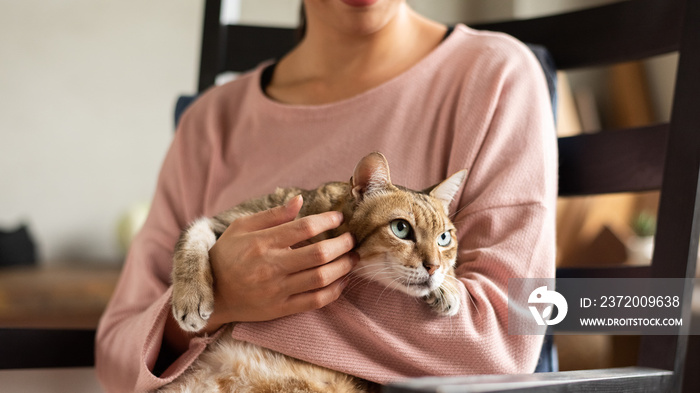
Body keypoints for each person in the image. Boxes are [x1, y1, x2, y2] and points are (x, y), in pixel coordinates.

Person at [95, 0, 557, 391]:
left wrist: (242, 300)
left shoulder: (498, 77)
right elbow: (117, 349)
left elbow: (509, 335)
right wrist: (217, 294)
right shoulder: (210, 123)